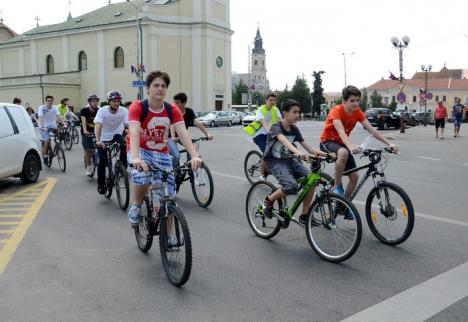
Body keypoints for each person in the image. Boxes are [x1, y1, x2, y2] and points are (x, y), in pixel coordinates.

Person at [127, 71, 202, 227]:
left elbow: (183, 133)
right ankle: (137, 204)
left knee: (169, 197)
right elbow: (133, 132)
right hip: (139, 148)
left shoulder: (171, 109)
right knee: (142, 176)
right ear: (148, 88)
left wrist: (194, 155)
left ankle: (171, 238)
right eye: (156, 85)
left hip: (161, 151)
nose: (160, 88)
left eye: (163, 86)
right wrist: (135, 158)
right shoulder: (138, 107)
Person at [319, 85, 397, 211]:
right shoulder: (336, 111)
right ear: (344, 101)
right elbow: (340, 131)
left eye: (357, 100)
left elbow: (372, 130)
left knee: (354, 177)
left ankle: (342, 205)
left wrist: (389, 144)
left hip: (342, 144)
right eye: (352, 101)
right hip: (327, 142)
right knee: (343, 152)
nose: (356, 103)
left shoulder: (357, 112)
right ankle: (337, 187)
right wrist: (350, 146)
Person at [262, 99, 332, 225]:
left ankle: (304, 216)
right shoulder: (276, 127)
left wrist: (328, 155)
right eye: (294, 112)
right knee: (292, 186)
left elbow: (309, 148)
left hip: (289, 159)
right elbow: (284, 141)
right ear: (285, 113)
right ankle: (269, 200)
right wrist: (298, 153)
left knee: (312, 180)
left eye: (299, 112)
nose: (298, 115)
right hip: (274, 161)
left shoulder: (294, 129)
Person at [94, 90, 128, 194]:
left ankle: (122, 167)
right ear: (109, 101)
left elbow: (128, 125)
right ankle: (101, 184)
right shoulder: (102, 111)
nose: (117, 103)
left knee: (125, 144)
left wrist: (131, 137)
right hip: (103, 137)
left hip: (116, 134)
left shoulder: (124, 111)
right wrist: (98, 140)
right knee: (103, 161)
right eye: (114, 101)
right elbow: (98, 125)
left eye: (118, 101)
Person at [168, 92, 213, 168]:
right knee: (176, 156)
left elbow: (197, 122)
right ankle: (172, 173)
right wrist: (173, 137)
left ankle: (191, 170)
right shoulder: (173, 111)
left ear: (184, 103)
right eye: (174, 102)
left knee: (193, 151)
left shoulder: (189, 111)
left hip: (182, 136)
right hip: (169, 137)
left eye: (177, 103)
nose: (174, 104)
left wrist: (207, 133)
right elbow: (172, 125)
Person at [243, 92, 282, 179]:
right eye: (270, 100)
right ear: (266, 101)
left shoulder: (276, 109)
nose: (272, 102)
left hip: (270, 134)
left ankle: (267, 166)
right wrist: (269, 131)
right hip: (259, 134)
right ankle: (261, 175)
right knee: (266, 152)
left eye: (274, 100)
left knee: (278, 150)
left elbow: (280, 121)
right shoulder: (260, 110)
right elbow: (263, 122)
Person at [37, 95, 66, 164]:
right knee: (47, 140)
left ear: (52, 101)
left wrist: (64, 124)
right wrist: (43, 126)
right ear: (46, 101)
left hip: (53, 126)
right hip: (43, 127)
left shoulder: (55, 108)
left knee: (59, 134)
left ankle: (57, 146)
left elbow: (59, 116)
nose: (50, 102)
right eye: (48, 101)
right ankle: (45, 156)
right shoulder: (42, 108)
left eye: (51, 101)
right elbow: (40, 117)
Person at [80, 94, 100, 176]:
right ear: (89, 102)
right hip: (87, 132)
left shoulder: (99, 110)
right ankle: (88, 167)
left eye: (96, 101)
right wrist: (85, 130)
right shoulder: (84, 110)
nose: (95, 103)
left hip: (97, 131)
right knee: (88, 150)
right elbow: (83, 121)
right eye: (93, 101)